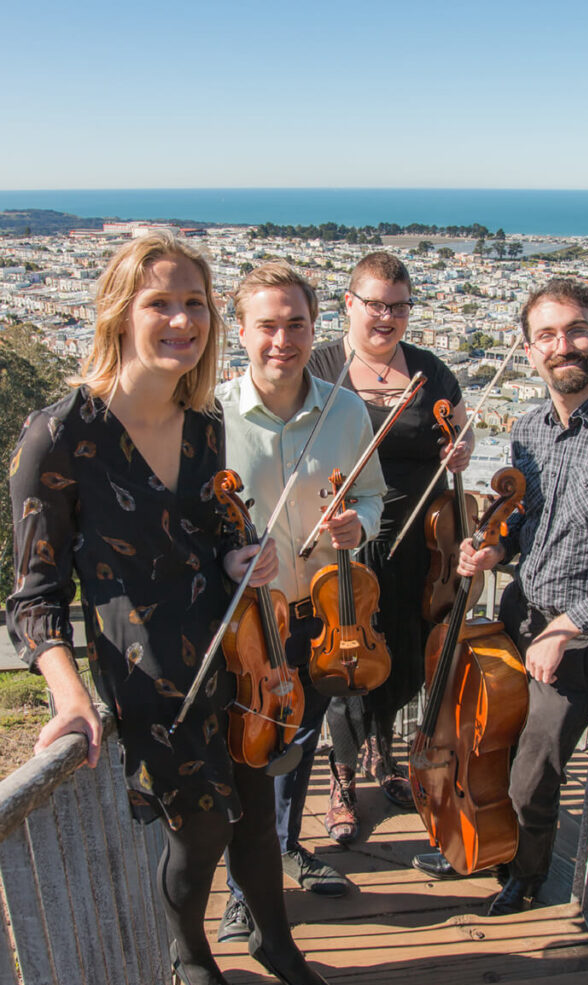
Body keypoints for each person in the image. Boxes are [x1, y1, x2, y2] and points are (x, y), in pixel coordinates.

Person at [6, 233, 335, 985]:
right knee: (199, 835)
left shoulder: (203, 422)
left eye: (195, 303)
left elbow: (214, 534)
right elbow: (34, 595)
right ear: (119, 313)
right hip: (151, 680)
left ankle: (276, 944)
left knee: (256, 818)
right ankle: (192, 961)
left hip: (237, 655)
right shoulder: (59, 435)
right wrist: (68, 693)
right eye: (160, 302)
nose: (181, 320)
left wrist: (236, 560)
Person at [452, 277, 588, 914]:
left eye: (576, 330)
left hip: (575, 639)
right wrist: (495, 548)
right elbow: (525, 521)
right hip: (518, 615)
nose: (563, 345)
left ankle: (526, 875)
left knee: (533, 774)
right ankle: (488, 846)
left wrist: (567, 626)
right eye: (546, 335)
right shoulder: (528, 430)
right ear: (529, 351)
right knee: (487, 742)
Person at [214, 262, 384, 941]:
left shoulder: (345, 408)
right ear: (241, 331)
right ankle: (239, 886)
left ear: (316, 328)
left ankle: (285, 847)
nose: (281, 340)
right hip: (245, 624)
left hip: (315, 613)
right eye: (267, 325)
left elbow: (369, 493)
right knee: (244, 753)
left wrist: (358, 525)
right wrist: (225, 557)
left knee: (297, 743)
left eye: (296, 325)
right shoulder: (209, 413)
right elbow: (192, 519)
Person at [308, 251, 474, 844]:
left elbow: (459, 427)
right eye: (377, 304)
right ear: (349, 304)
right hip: (345, 541)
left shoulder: (430, 372)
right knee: (347, 655)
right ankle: (343, 777)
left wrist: (463, 447)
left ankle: (382, 754)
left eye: (399, 306)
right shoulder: (320, 365)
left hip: (414, 543)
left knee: (400, 653)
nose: (388, 317)